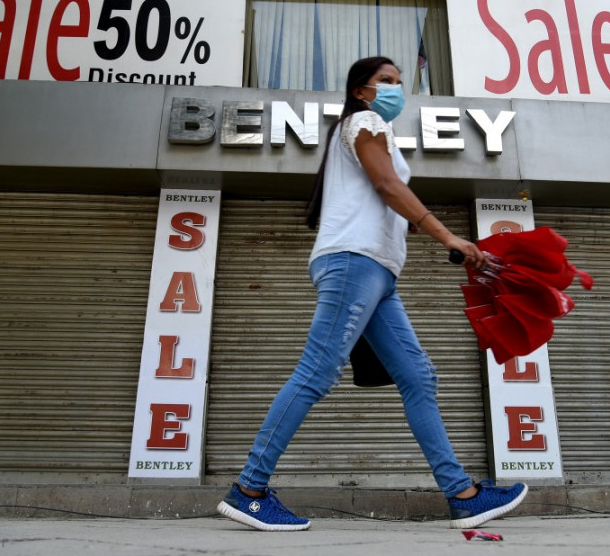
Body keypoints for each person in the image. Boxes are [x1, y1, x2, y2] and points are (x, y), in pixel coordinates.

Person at [216, 56, 527, 532]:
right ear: (361, 90)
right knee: (317, 373)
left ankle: (463, 496)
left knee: (418, 375)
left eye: (401, 83)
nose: (396, 90)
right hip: (353, 262)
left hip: (377, 272)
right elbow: (385, 185)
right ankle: (249, 490)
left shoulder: (375, 130)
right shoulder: (362, 121)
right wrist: (448, 237)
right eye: (386, 81)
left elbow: (384, 187)